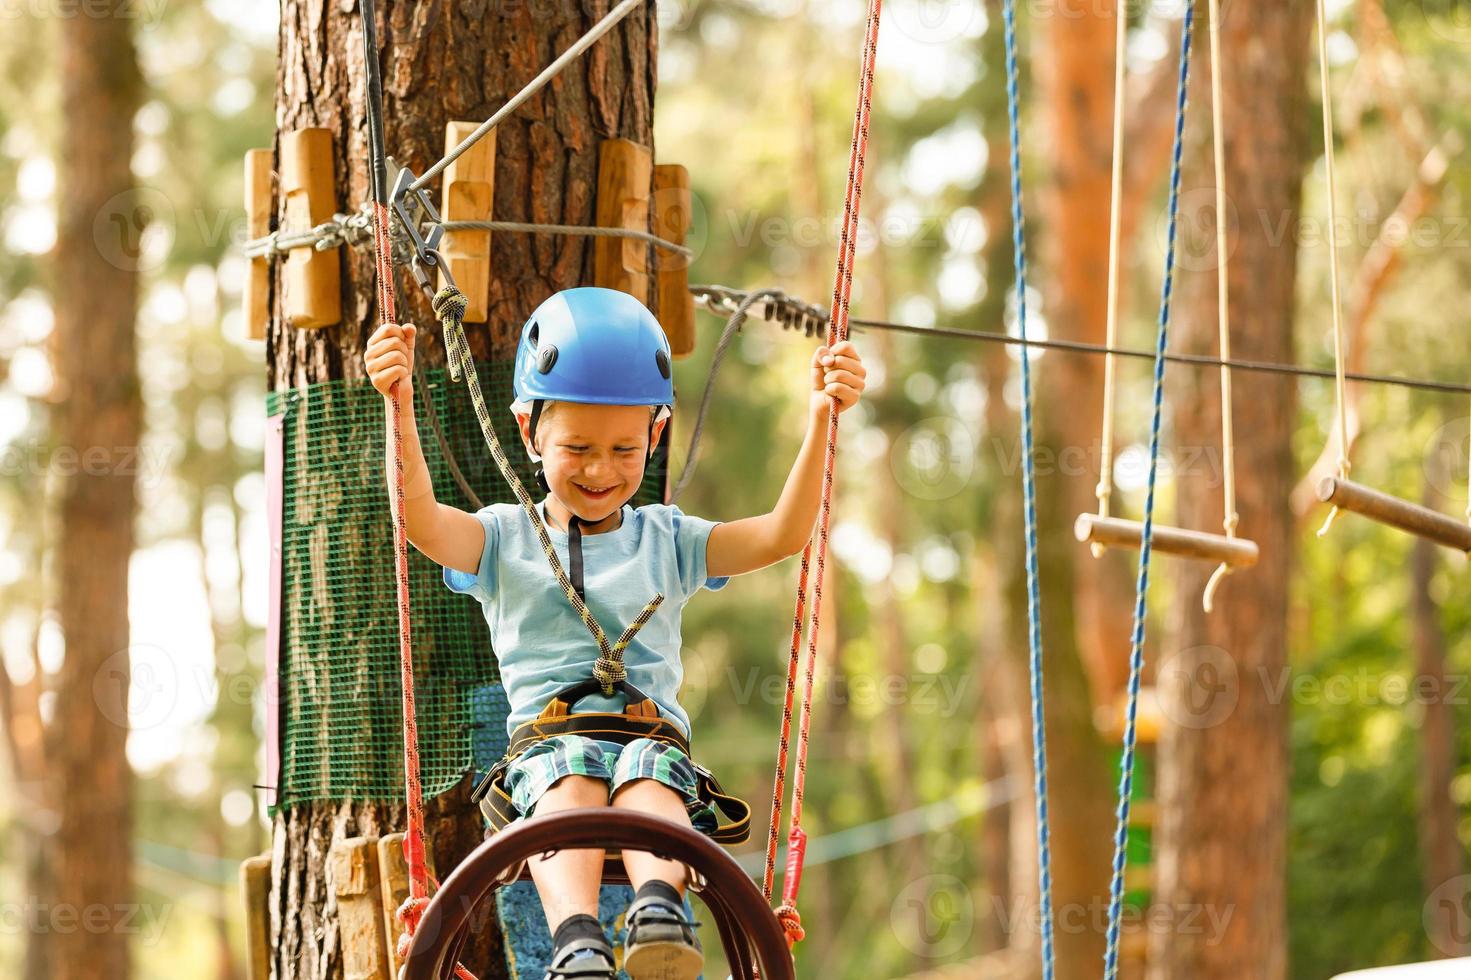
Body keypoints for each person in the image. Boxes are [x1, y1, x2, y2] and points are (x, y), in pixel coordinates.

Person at [365, 287, 865, 980]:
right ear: (528, 429)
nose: (600, 470)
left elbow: (780, 535)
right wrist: (398, 410)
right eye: (577, 447)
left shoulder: (669, 539)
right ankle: (577, 942)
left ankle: (659, 914)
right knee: (566, 779)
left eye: (623, 448)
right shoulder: (504, 538)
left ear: (655, 435)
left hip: (648, 737)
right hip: (546, 747)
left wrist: (821, 420)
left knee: (649, 778)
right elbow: (419, 520)